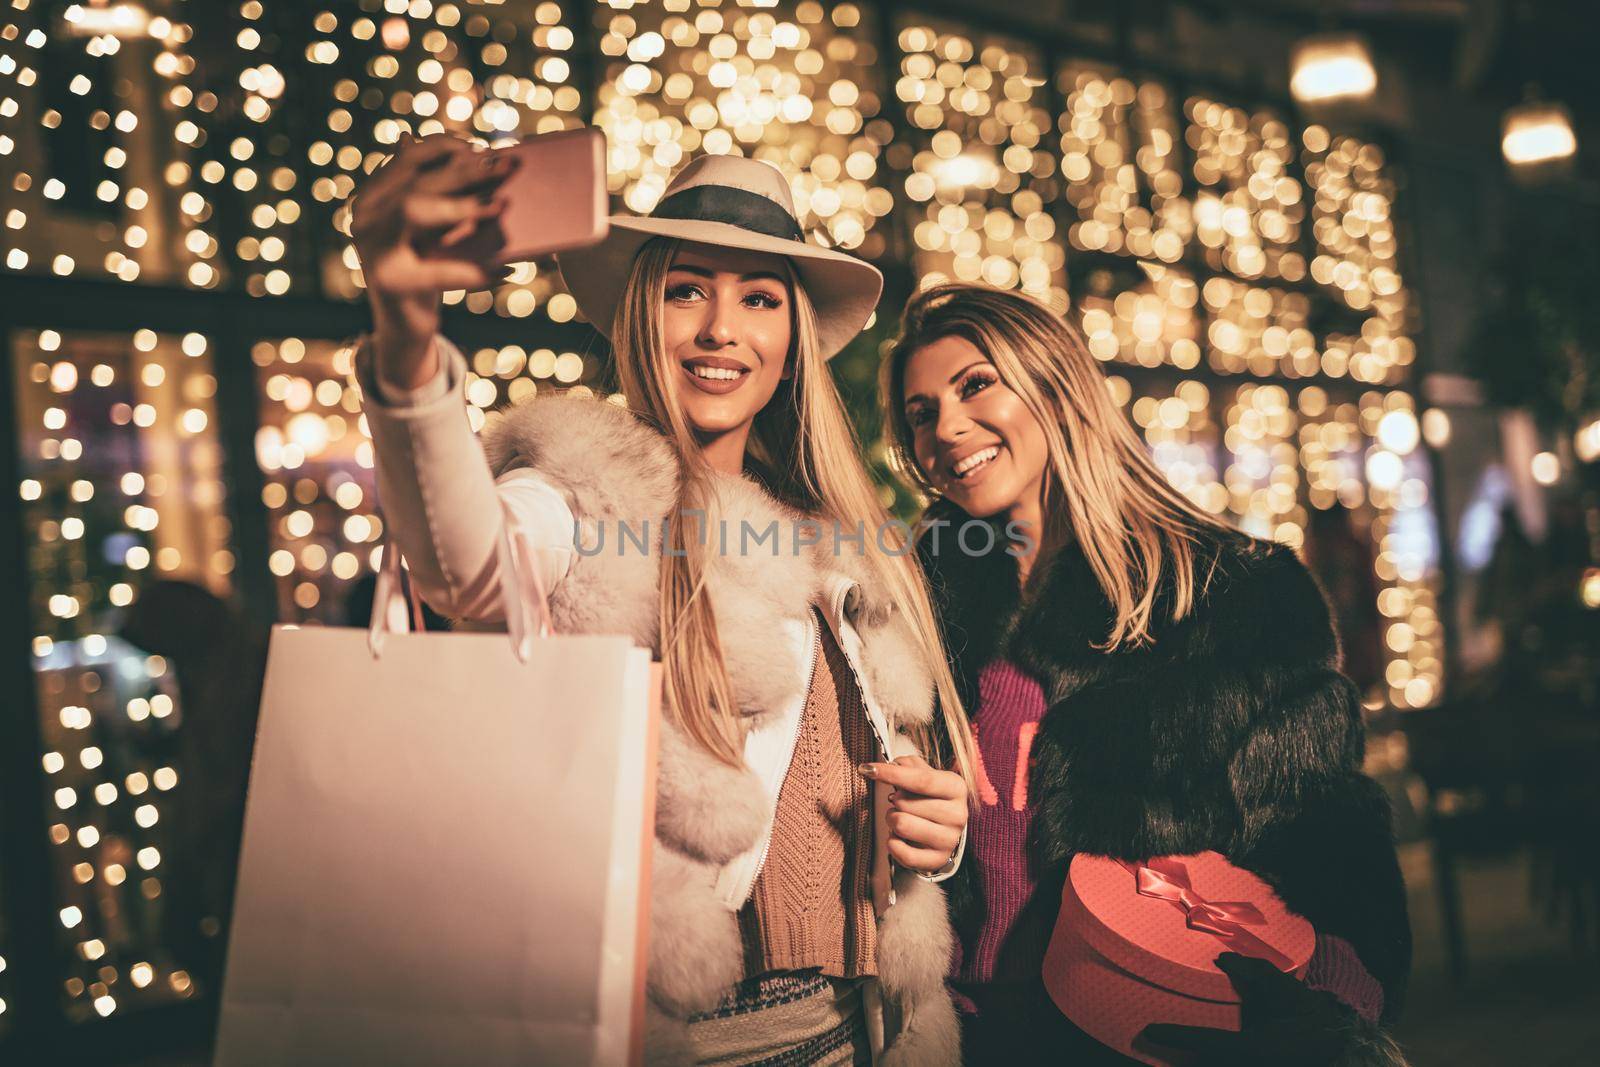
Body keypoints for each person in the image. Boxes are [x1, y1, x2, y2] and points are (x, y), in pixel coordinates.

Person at [349, 138, 975, 1065]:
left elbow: (857, 790)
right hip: (697, 1041)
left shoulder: (836, 536)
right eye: (688, 289)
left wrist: (936, 830)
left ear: (791, 336)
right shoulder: (574, 489)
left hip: (868, 1030)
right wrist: (406, 339)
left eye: (760, 299)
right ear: (644, 312)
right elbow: (465, 563)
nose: (723, 328)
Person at [879, 284, 1412, 1065]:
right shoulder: (918, 602)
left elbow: (1324, 839)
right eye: (922, 412)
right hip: (967, 1030)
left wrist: (1326, 1011)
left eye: (976, 383)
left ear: (1055, 385)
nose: (948, 428)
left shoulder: (1230, 592)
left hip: (1151, 1029)